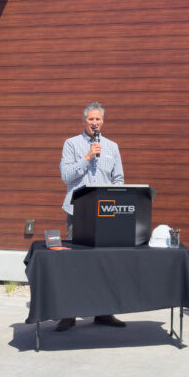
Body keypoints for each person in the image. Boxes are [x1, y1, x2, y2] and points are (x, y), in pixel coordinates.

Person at [56, 101, 126, 332]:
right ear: (83, 120)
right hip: (77, 213)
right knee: (75, 264)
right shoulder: (71, 144)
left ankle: (103, 312)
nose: (94, 123)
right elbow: (66, 176)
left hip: (105, 215)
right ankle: (69, 314)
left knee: (104, 264)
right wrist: (87, 157)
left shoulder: (112, 147)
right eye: (90, 119)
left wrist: (115, 206)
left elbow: (118, 180)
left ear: (103, 121)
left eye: (98, 119)